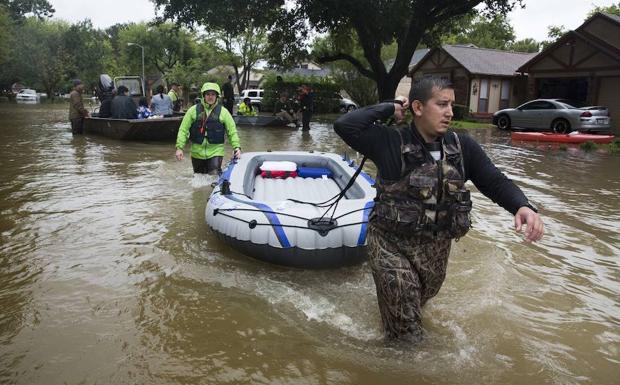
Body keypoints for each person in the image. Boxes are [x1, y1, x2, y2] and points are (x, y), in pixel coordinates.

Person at [334, 77, 544, 343]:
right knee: (407, 337)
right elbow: (345, 125)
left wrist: (522, 206)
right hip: (390, 245)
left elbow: (493, 180)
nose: (450, 112)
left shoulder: (462, 147)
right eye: (442, 104)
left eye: (452, 105)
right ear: (418, 108)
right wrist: (391, 106)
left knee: (414, 306)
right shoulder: (388, 141)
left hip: (435, 253)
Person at [175, 82, 241, 175]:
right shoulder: (193, 111)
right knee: (199, 178)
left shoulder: (224, 112)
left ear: (217, 96)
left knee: (213, 175)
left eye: (213, 94)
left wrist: (236, 147)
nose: (210, 97)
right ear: (203, 95)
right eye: (208, 94)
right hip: (196, 152)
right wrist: (179, 148)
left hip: (216, 151)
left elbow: (232, 131)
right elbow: (183, 130)